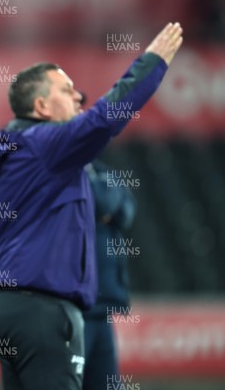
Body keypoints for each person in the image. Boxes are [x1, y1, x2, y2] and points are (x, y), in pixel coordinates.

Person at [0, 22, 183, 390]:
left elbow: (118, 202)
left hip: (10, 305)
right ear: (41, 106)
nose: (79, 98)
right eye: (67, 91)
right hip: (42, 306)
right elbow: (105, 117)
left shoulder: (19, 149)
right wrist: (152, 63)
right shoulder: (45, 145)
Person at [83, 161, 136, 390]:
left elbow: (127, 209)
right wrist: (104, 205)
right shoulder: (63, 166)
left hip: (102, 308)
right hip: (76, 307)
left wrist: (103, 204)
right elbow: (103, 202)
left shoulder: (99, 169)